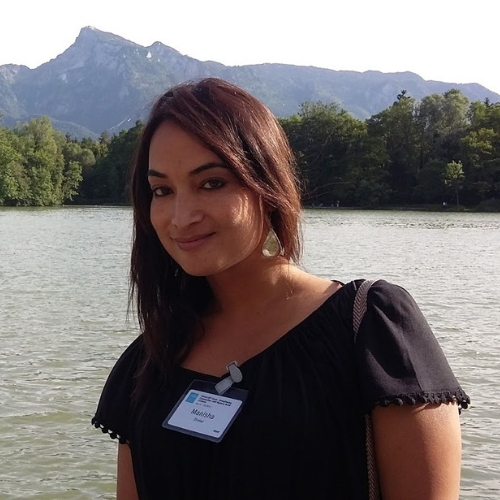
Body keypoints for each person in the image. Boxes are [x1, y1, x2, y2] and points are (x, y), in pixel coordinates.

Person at [92, 78, 470, 500]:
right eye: (162, 190)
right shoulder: (150, 360)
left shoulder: (372, 330)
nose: (181, 217)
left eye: (212, 183)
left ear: (267, 186)